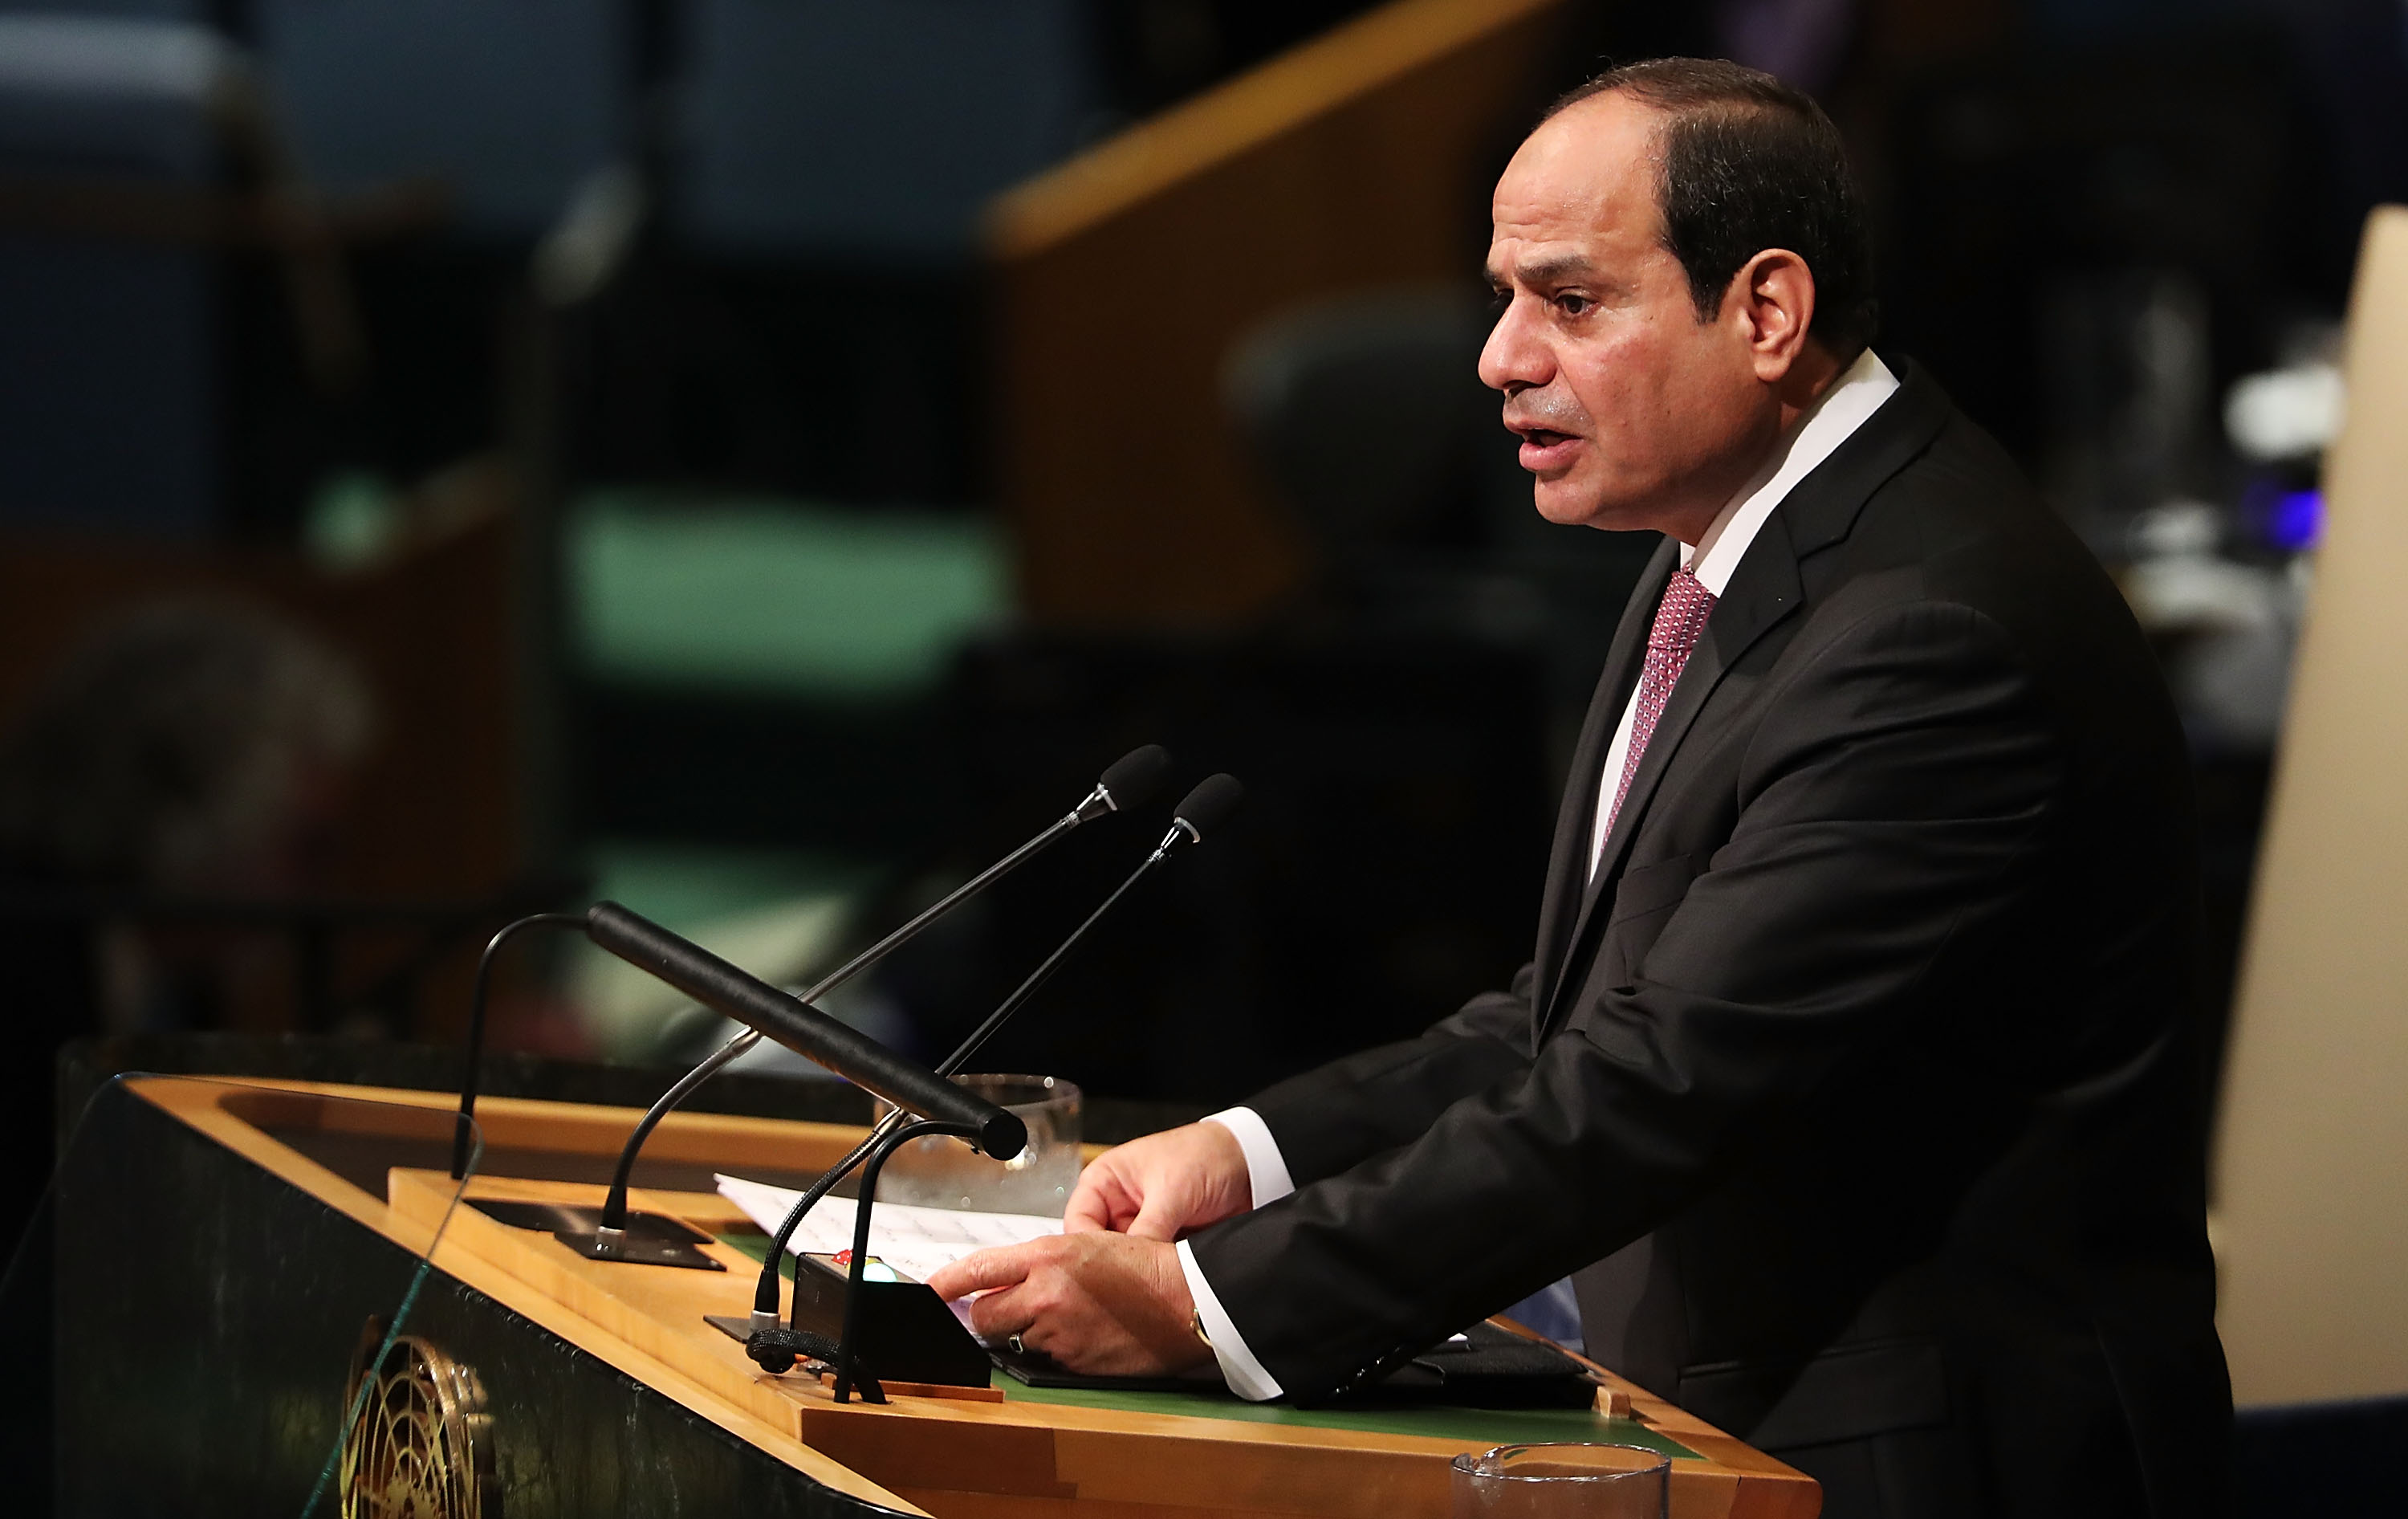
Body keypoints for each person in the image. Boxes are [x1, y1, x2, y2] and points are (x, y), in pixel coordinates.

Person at [928, 58, 2230, 1519]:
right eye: (1504, 297)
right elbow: (1581, 1010)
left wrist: (1204, 1305)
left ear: (1766, 313)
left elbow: (1652, 1083)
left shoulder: (1931, 633)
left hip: (1929, 1472)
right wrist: (1253, 1156)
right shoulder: (1736, 542)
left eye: (1572, 301)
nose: (1499, 356)